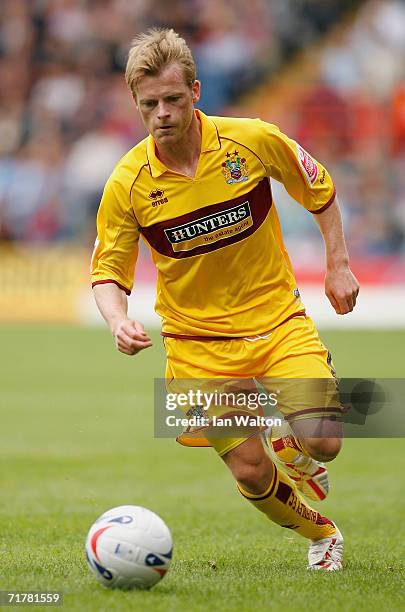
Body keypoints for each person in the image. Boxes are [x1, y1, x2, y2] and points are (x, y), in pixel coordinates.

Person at [91, 28, 360, 571]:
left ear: (196, 90)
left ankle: (290, 435)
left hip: (277, 320)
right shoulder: (128, 182)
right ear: (136, 106)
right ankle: (322, 534)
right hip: (196, 346)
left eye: (172, 99)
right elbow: (107, 271)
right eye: (149, 105)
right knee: (250, 471)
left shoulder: (252, 140)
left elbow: (321, 189)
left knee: (324, 442)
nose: (162, 113)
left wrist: (338, 264)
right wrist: (117, 318)